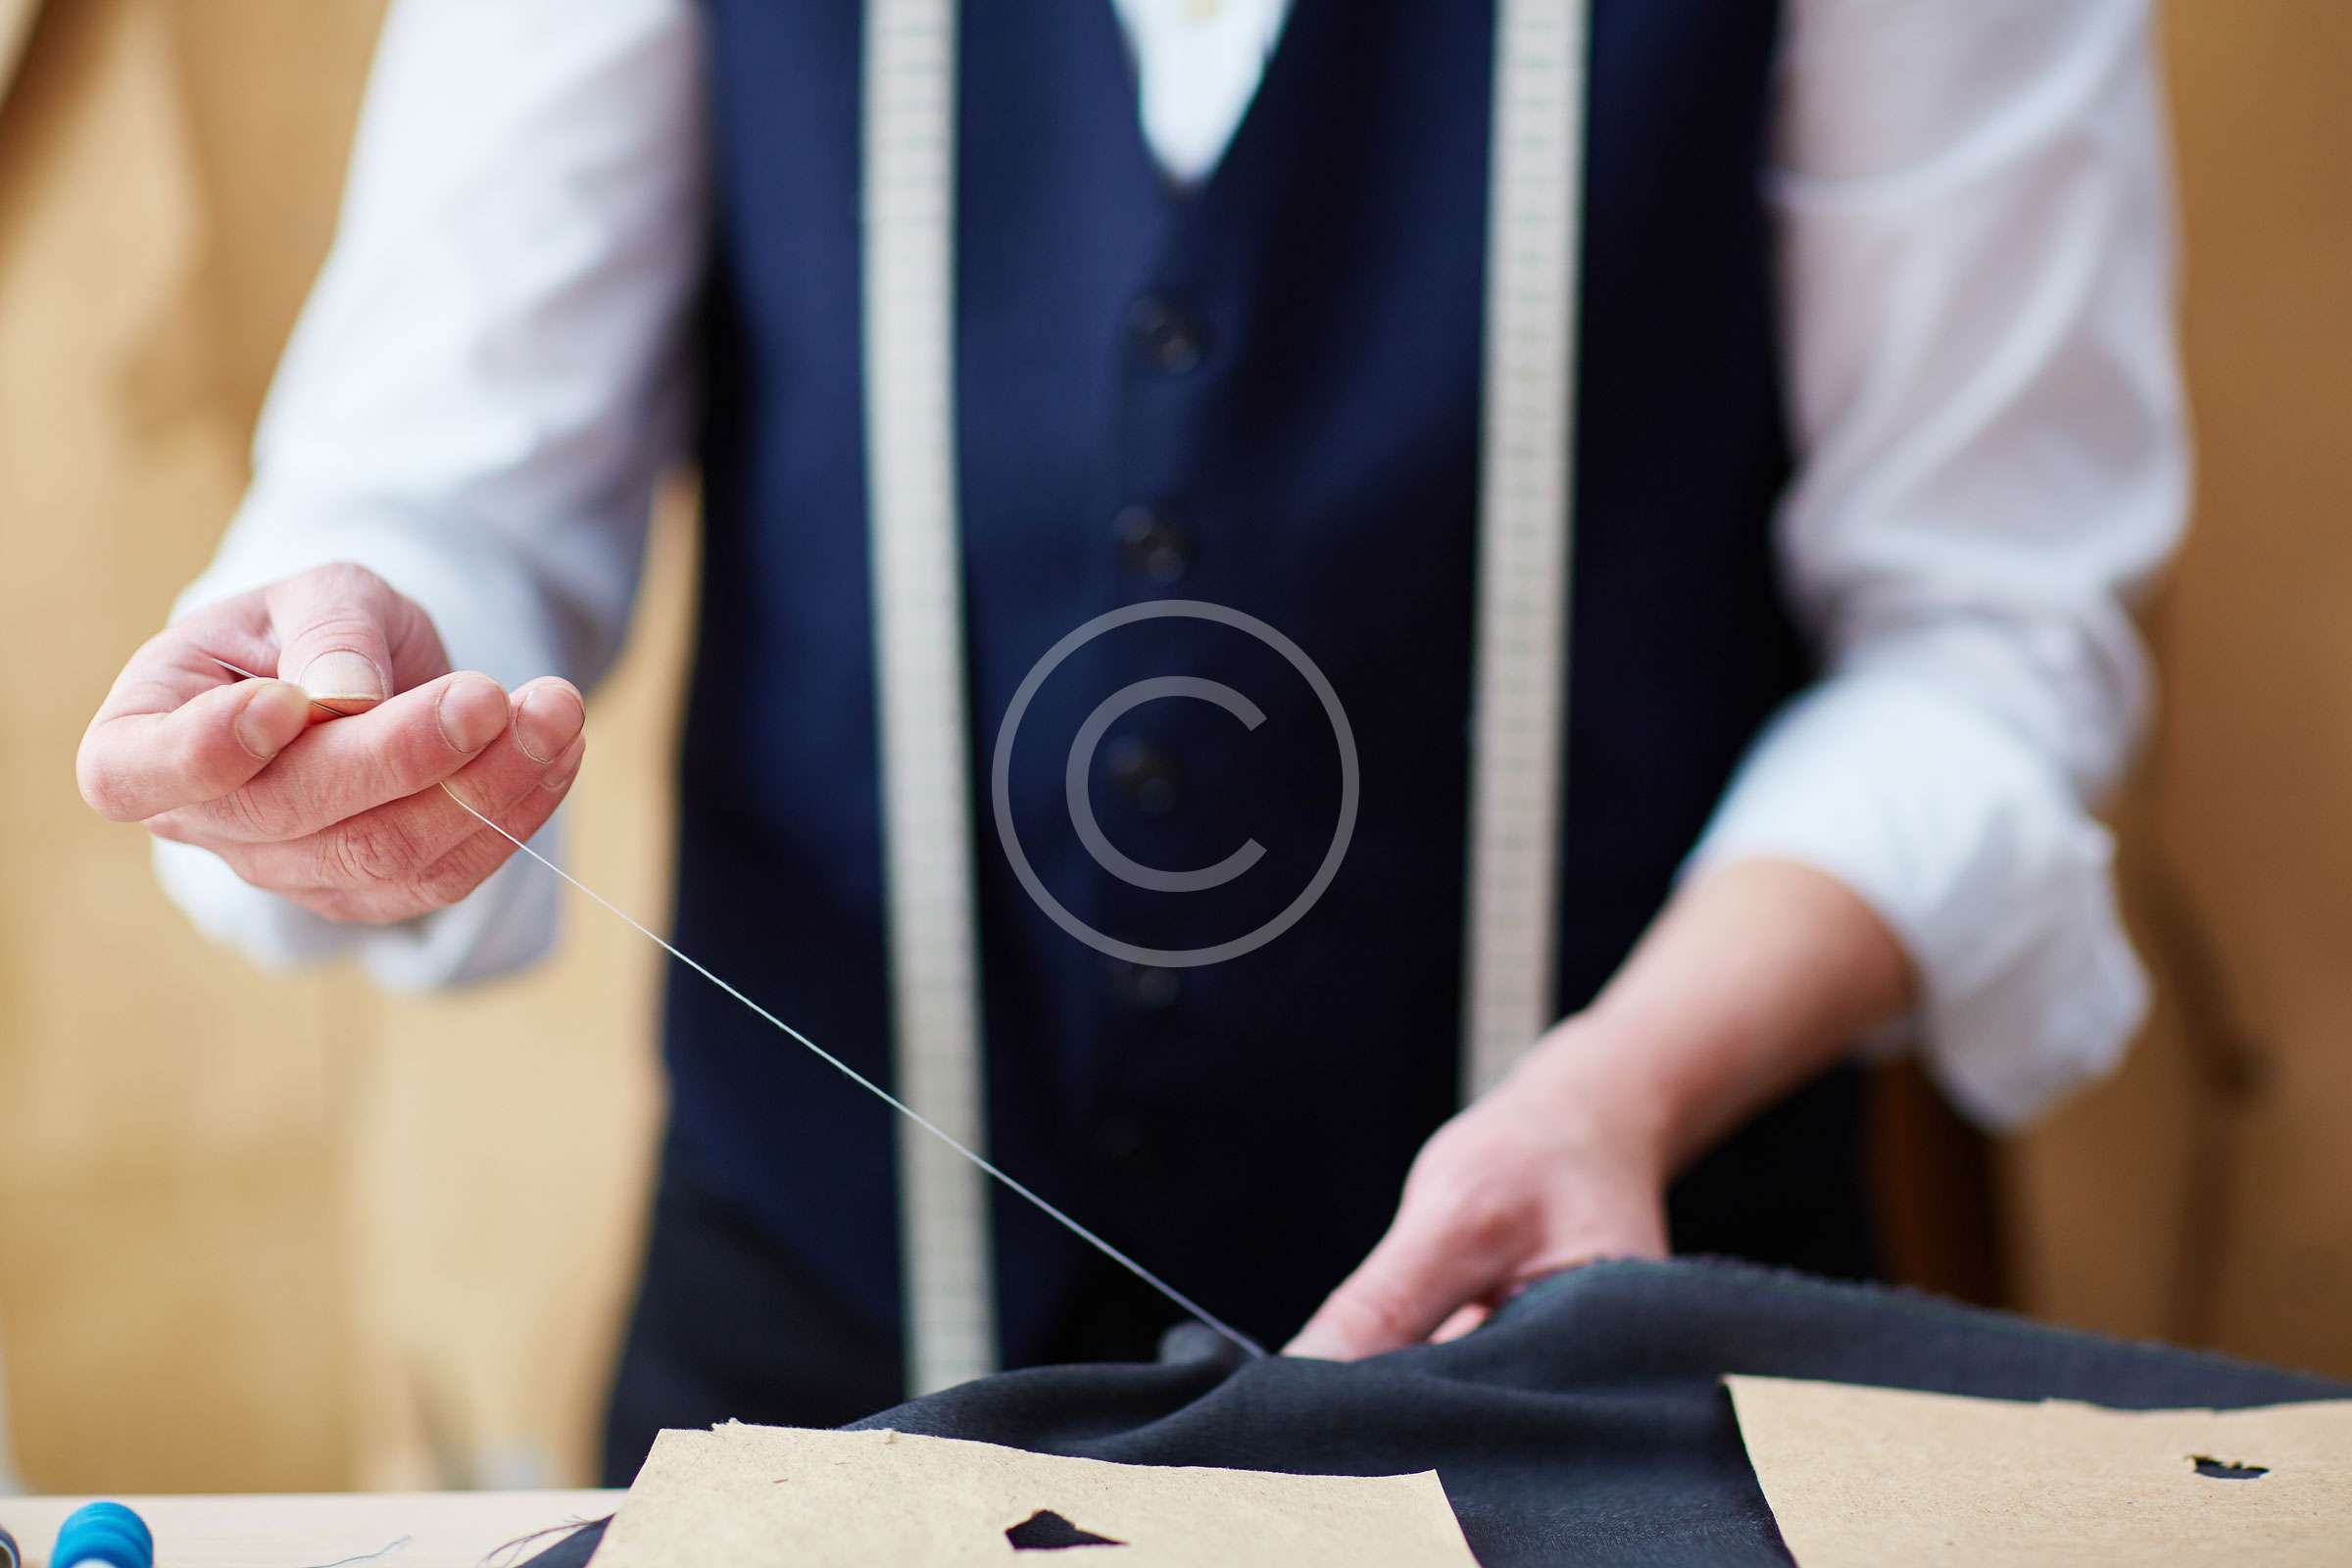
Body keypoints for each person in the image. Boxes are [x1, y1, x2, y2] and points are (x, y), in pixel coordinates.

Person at [75, 0, 2184, 1484]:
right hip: (817, 1365)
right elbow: (442, 479)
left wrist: (1627, 1079)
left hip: (1625, 1379)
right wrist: (342, 707)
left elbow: (1988, 634)